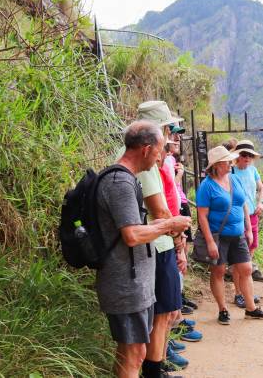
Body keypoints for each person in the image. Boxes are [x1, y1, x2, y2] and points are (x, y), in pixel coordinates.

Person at [95, 120, 190, 378]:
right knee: (134, 353)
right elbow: (132, 235)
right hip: (125, 282)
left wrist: (164, 225)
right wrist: (170, 223)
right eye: (159, 152)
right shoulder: (120, 183)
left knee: (134, 351)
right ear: (146, 149)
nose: (160, 159)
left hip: (135, 281)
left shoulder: (129, 180)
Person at [133, 101, 196, 376]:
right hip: (157, 244)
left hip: (155, 242)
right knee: (162, 313)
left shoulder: (150, 160)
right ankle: (154, 369)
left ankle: (155, 365)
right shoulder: (146, 162)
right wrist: (178, 237)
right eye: (168, 128)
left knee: (164, 312)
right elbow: (159, 209)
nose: (171, 134)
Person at [196, 145, 263, 324]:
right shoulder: (207, 186)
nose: (231, 164)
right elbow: (202, 216)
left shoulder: (233, 179)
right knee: (219, 271)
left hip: (238, 235)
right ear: (217, 164)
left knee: (246, 269)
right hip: (218, 235)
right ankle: (223, 309)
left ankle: (251, 308)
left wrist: (248, 228)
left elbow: (243, 203)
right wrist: (210, 242)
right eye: (227, 162)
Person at [230, 140, 263, 308]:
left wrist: (261, 203)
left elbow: (262, 188)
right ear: (237, 156)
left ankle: (247, 291)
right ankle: (238, 293)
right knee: (240, 259)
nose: (247, 158)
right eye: (244, 155)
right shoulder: (231, 172)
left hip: (253, 216)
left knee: (250, 254)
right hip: (238, 218)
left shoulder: (253, 171)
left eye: (250, 155)